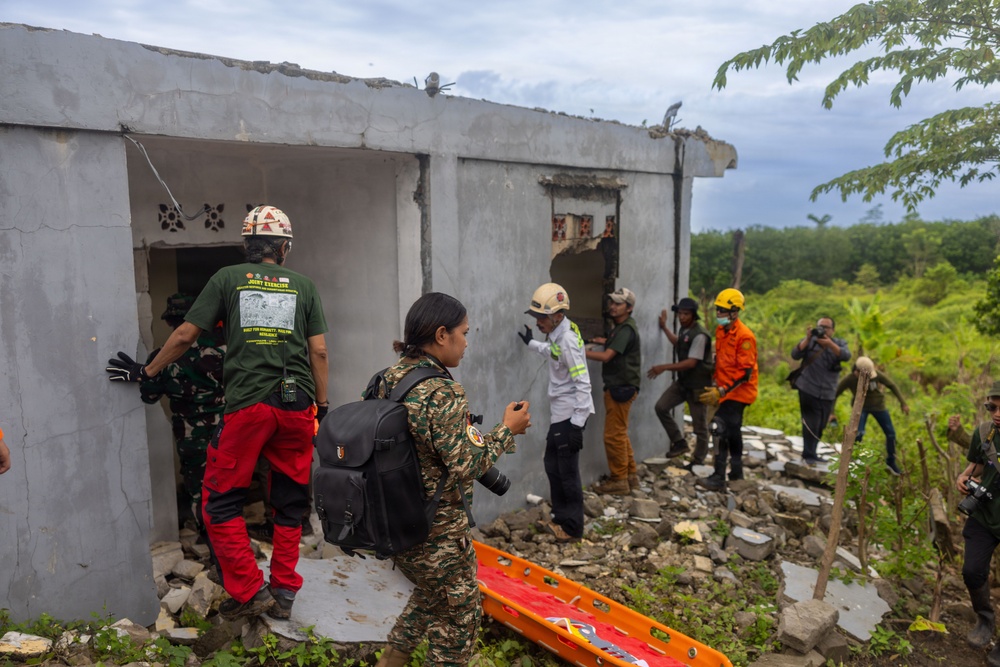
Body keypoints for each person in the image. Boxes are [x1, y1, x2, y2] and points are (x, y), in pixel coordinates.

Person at [107, 205, 328, 622]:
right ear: (284, 247)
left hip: (249, 406)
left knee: (220, 501)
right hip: (298, 405)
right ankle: (283, 591)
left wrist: (146, 371)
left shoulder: (228, 277)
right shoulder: (305, 286)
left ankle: (250, 588)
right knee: (289, 502)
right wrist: (323, 404)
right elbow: (318, 351)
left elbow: (185, 335)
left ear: (248, 246)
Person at [375, 292, 531, 667]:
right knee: (459, 625)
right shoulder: (442, 391)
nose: (467, 342)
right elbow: (466, 464)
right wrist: (507, 429)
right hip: (437, 532)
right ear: (442, 335)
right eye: (464, 332)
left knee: (430, 595)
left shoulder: (389, 378)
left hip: (396, 522)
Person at [139, 293, 226, 532]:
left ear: (170, 322)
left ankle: (210, 541)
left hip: (190, 436)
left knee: (199, 490)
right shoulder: (222, 351)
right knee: (227, 488)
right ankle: (229, 542)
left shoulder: (161, 358)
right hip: (226, 432)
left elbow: (149, 396)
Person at [518, 282, 595, 542]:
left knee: (567, 472)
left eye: (542, 317)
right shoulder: (559, 335)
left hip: (569, 416)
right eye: (536, 316)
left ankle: (572, 528)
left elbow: (583, 383)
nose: (538, 322)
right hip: (562, 414)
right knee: (553, 465)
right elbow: (553, 353)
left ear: (558, 315)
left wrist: (577, 424)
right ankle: (560, 518)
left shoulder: (568, 340)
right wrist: (531, 343)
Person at [695, 288, 757, 491]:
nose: (718, 313)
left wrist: (721, 391)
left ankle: (718, 477)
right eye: (718, 309)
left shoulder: (745, 337)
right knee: (733, 431)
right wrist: (715, 380)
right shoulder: (721, 331)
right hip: (724, 389)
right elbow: (721, 360)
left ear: (734, 311)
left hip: (739, 392)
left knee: (718, 427)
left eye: (722, 310)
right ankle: (737, 472)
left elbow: (745, 373)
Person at [956, 381, 1000, 663]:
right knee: (972, 571)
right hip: (985, 513)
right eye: (992, 407)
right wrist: (964, 477)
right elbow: (980, 463)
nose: (997, 413)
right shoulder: (985, 432)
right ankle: (985, 618)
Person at [585, 287, 641, 495]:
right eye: (612, 302)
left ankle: (619, 480)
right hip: (622, 386)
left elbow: (607, 356)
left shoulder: (625, 329)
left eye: (618, 303)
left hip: (621, 388)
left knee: (613, 436)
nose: (612, 307)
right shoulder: (621, 328)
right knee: (620, 434)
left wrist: (578, 352)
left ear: (629, 308)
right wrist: (600, 341)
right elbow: (612, 344)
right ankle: (631, 476)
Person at [647, 297, 712, 469]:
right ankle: (679, 442)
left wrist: (664, 367)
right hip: (683, 382)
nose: (682, 317)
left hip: (698, 386)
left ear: (693, 315)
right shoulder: (685, 330)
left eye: (686, 314)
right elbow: (679, 343)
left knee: (700, 427)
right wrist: (664, 327)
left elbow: (691, 362)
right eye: (680, 314)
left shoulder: (700, 335)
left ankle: (698, 461)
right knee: (661, 407)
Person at [834, 356, 910, 476]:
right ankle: (853, 461)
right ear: (857, 372)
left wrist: (903, 403)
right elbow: (835, 394)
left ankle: (891, 462)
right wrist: (831, 413)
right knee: (858, 433)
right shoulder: (850, 379)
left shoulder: (877, 375)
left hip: (878, 407)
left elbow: (892, 385)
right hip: (860, 408)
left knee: (891, 434)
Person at [790, 316, 851, 465]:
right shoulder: (810, 342)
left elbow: (846, 356)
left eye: (826, 327)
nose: (822, 329)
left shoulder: (839, 343)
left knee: (821, 424)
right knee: (810, 422)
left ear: (833, 330)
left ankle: (812, 452)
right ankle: (808, 454)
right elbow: (795, 354)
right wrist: (807, 339)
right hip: (808, 388)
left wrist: (830, 344)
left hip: (828, 391)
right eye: (820, 326)